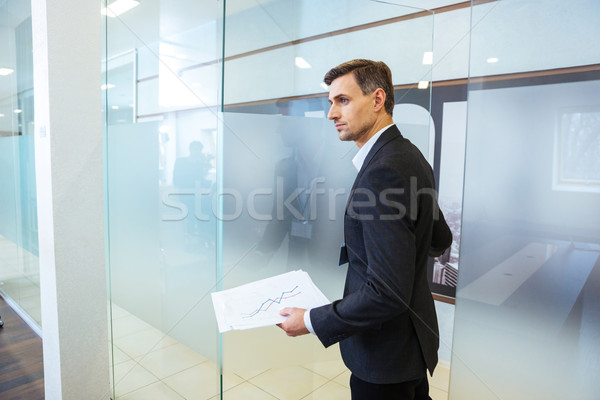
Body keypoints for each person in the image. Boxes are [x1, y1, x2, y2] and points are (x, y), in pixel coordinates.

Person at [277, 59, 452, 400]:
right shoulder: (410, 156)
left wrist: (311, 320)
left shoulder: (381, 172)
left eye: (342, 100)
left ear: (376, 100)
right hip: (411, 346)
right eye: (331, 102)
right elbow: (439, 238)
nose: (331, 114)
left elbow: (388, 293)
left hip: (384, 357)